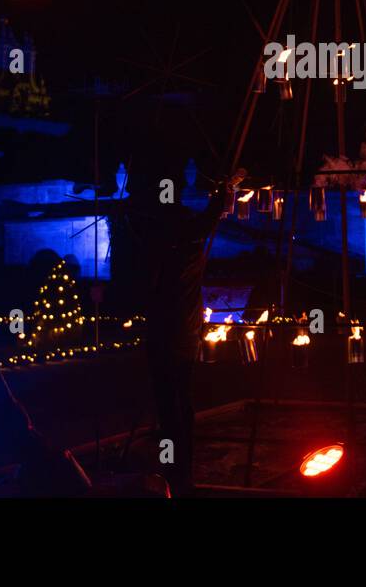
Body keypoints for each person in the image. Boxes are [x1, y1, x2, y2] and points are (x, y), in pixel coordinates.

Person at [112, 164, 239, 496]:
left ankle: (177, 469)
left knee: (173, 404)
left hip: (172, 331)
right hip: (175, 330)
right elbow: (208, 217)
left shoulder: (165, 233)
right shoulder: (179, 232)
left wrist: (223, 194)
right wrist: (224, 193)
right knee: (176, 403)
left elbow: (205, 217)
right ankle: (177, 467)